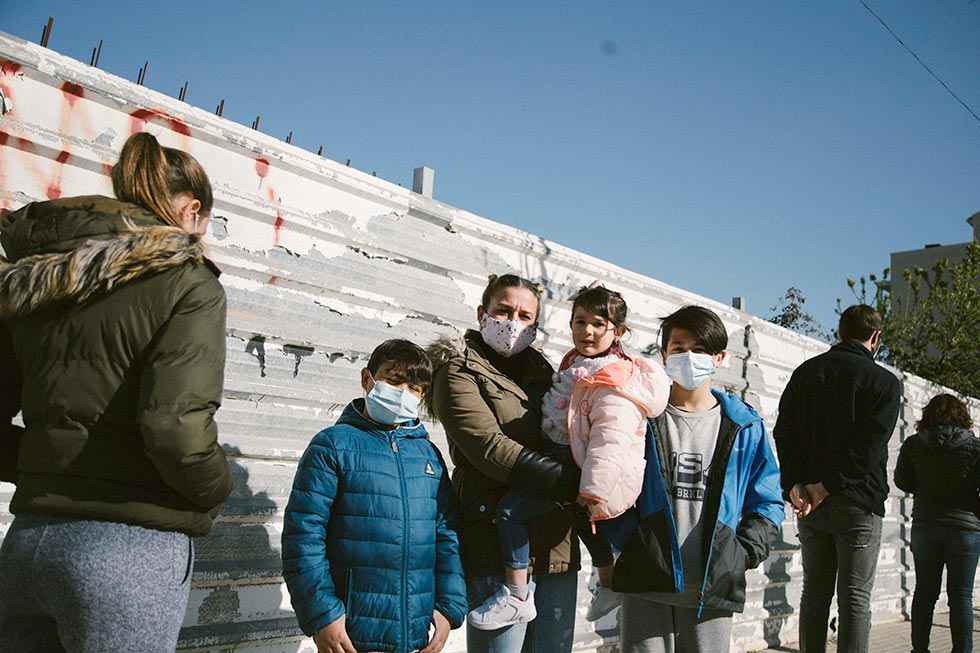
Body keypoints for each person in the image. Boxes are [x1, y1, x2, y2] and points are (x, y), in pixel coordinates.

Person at [0, 131, 232, 652]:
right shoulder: (189, 282)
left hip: (29, 539)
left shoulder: (38, 275)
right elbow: (175, 429)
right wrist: (216, 489)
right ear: (191, 211)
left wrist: (49, 467)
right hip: (129, 548)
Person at [466, 284, 670, 630]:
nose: (586, 331)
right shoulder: (576, 364)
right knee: (586, 527)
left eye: (598, 324)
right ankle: (608, 584)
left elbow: (611, 439)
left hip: (577, 467)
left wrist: (591, 489)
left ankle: (516, 596)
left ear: (618, 332)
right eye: (579, 322)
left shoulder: (613, 380)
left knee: (511, 513)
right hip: (565, 458)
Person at [614, 305, 783, 653]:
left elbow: (767, 501)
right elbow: (611, 483)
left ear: (719, 357)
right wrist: (630, 541)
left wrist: (742, 553)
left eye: (700, 349)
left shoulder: (744, 426)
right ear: (664, 354)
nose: (688, 357)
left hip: (713, 585)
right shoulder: (641, 416)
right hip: (647, 580)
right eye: (678, 348)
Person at [428, 274, 583, 653]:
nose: (513, 322)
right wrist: (570, 481)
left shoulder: (546, 371)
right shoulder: (457, 368)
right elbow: (488, 447)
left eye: (526, 315)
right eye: (504, 310)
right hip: (492, 536)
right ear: (483, 313)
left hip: (554, 544)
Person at [282, 339, 467, 653]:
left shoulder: (428, 455)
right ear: (368, 379)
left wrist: (449, 607)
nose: (403, 394)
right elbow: (303, 537)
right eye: (394, 381)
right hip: (351, 634)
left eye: (414, 388)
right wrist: (323, 615)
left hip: (415, 633)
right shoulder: (333, 446)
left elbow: (446, 534)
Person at [773, 304, 902, 652]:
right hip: (857, 502)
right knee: (855, 598)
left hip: (811, 506)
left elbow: (783, 432)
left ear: (840, 333)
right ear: (875, 337)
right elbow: (869, 448)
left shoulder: (805, 373)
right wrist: (825, 485)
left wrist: (796, 486)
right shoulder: (885, 382)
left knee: (814, 593)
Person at [895, 394, 980, 653]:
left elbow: (902, 481)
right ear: (962, 416)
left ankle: (920, 650)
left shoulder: (913, 445)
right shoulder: (976, 447)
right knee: (961, 597)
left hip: (926, 527)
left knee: (924, 594)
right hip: (965, 529)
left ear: (928, 415)